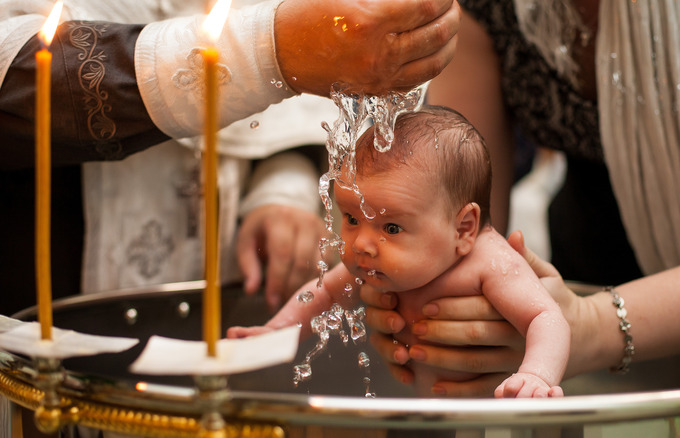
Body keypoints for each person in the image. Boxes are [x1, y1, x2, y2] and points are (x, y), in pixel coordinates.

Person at [361, 0, 680, 398]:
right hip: (589, 273)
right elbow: (452, 211)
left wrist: (594, 326)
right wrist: (421, 299)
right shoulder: (484, 8)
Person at [0, 0, 460, 315]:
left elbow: (304, 88)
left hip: (233, 291)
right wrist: (268, 51)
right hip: (36, 284)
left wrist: (283, 185)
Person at [228, 106, 570, 398]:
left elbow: (547, 317)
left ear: (464, 228)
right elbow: (322, 293)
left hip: (488, 416)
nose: (361, 243)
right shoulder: (371, 261)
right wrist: (276, 331)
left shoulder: (490, 263)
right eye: (351, 218)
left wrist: (536, 376)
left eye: (391, 228)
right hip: (416, 409)